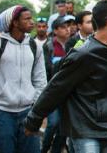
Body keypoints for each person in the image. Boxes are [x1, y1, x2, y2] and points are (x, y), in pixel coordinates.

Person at [24, 0, 107, 153]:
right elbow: (56, 88)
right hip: (84, 129)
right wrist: (33, 120)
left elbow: (96, 83)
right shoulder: (84, 54)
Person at [0, 6, 46, 153]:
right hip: (1, 112)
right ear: (15, 23)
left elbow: (40, 78)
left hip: (28, 111)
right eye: (27, 19)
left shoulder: (34, 45)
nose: (32, 22)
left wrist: (36, 104)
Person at [41, 17, 72, 153]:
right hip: (52, 93)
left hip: (69, 94)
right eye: (64, 27)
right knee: (53, 123)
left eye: (69, 26)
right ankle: (44, 148)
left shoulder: (73, 45)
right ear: (55, 30)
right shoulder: (48, 46)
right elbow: (44, 71)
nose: (68, 29)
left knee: (63, 127)